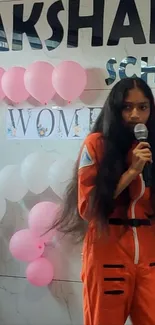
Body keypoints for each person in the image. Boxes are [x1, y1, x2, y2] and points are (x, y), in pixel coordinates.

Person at [53, 77, 155, 325]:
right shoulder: (97, 144)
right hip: (108, 254)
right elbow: (88, 207)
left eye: (142, 107)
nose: (135, 115)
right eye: (127, 107)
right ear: (115, 108)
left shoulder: (150, 145)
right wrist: (131, 172)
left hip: (150, 255)